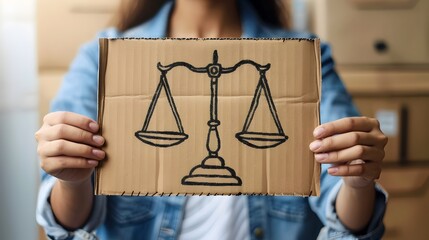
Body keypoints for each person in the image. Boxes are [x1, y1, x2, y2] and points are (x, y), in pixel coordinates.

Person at [35, 0, 388, 239]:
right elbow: (70, 224)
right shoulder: (104, 57)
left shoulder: (302, 58)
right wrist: (72, 180)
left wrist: (358, 183)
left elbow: (345, 217)